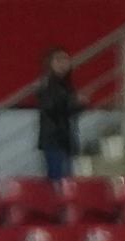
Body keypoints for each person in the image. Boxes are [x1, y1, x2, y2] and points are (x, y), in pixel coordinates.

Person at [36, 47, 82, 183]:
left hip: (65, 139)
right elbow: (50, 107)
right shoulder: (48, 84)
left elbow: (68, 111)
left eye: (66, 59)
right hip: (53, 139)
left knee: (66, 180)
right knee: (57, 180)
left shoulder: (67, 85)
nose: (63, 63)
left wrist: (79, 105)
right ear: (50, 63)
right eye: (59, 60)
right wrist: (72, 102)